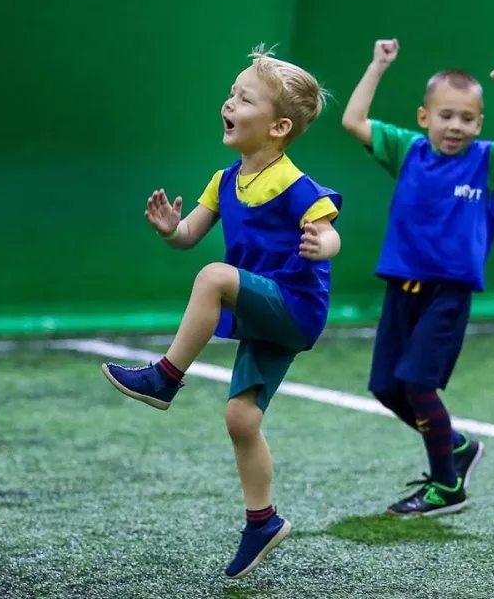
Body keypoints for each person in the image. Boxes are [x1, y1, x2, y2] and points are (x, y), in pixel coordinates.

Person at [101, 45, 342, 578]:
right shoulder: (224, 179)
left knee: (215, 277)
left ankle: (164, 378)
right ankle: (263, 521)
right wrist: (171, 231)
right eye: (231, 94)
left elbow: (330, 235)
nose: (228, 104)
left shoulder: (295, 185)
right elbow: (191, 236)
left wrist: (319, 246)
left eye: (243, 98)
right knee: (241, 418)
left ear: (278, 127)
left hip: (295, 305)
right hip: (262, 306)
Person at [341, 38, 494, 516]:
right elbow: (353, 121)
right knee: (387, 388)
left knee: (417, 382)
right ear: (424, 117)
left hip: (447, 294)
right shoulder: (406, 151)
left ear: (480, 124)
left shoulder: (486, 161)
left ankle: (447, 487)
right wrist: (377, 66)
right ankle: (456, 446)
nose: (456, 126)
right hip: (401, 288)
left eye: (468, 118)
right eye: (446, 115)